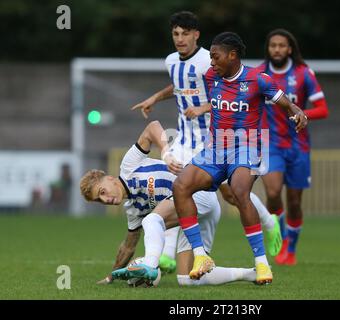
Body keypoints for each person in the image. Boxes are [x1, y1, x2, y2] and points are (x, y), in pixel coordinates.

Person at [131, 11, 282, 258]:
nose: (180, 39)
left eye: (185, 34)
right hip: (184, 139)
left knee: (234, 194)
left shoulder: (208, 61)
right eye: (176, 34)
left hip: (218, 138)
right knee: (176, 191)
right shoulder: (170, 61)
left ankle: (269, 223)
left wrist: (204, 107)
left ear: (196, 35)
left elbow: (232, 93)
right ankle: (168, 255)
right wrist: (155, 97)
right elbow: (179, 86)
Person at [172, 32, 308, 285]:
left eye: (216, 57)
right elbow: (182, 89)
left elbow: (285, 103)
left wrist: (297, 111)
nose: (212, 63)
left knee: (239, 191)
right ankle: (200, 256)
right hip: (215, 148)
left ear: (232, 55)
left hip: (246, 147)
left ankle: (261, 263)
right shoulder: (212, 76)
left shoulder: (257, 79)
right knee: (180, 186)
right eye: (210, 57)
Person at [80, 121, 256, 286]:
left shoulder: (128, 166)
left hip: (199, 193)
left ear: (110, 179)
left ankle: (149, 265)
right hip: (200, 212)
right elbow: (128, 246)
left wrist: (166, 153)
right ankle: (249, 274)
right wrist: (112, 276)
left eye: (102, 192)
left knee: (150, 220)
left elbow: (152, 127)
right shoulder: (133, 210)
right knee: (187, 279)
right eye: (99, 200)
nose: (105, 200)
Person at [259, 29, 329, 265]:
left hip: (299, 145)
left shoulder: (303, 74)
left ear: (290, 49)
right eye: (273, 45)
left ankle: (291, 247)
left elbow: (323, 109)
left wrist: (300, 112)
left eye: (281, 45)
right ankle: (277, 236)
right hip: (270, 144)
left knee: (295, 202)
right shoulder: (260, 73)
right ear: (268, 49)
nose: (276, 49)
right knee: (272, 192)